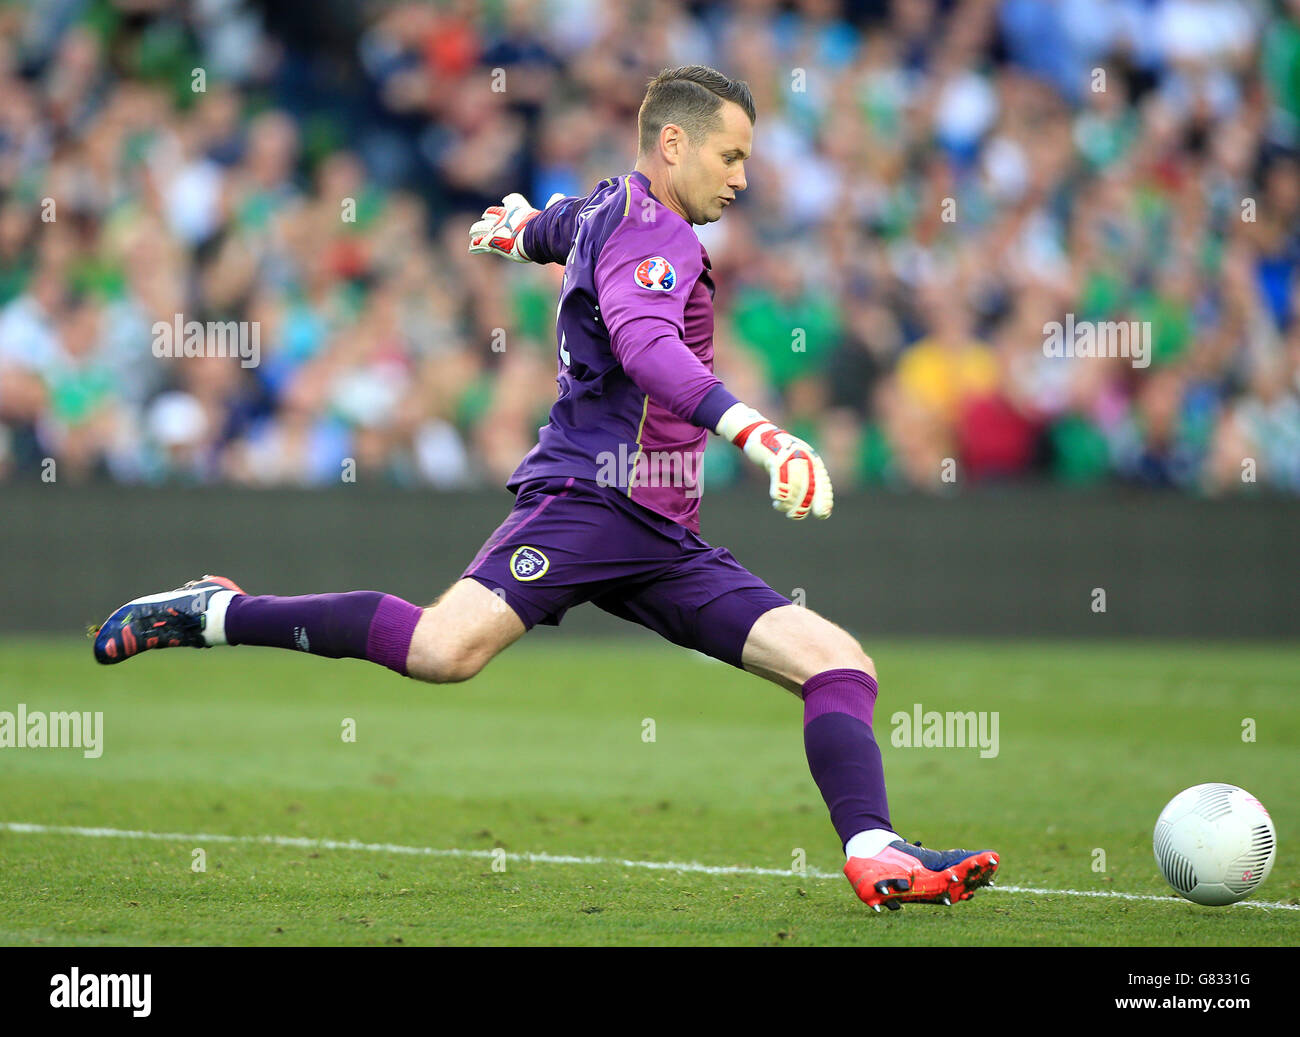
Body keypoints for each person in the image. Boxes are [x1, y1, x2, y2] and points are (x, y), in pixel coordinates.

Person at [93, 65, 998, 912]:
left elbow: (558, 227)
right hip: (590, 502)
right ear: (673, 144)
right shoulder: (657, 233)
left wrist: (518, 229)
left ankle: (875, 848)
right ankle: (216, 612)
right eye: (730, 156)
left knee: (837, 663)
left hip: (660, 532)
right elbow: (648, 348)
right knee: (443, 649)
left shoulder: (610, 205)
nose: (742, 178)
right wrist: (760, 434)